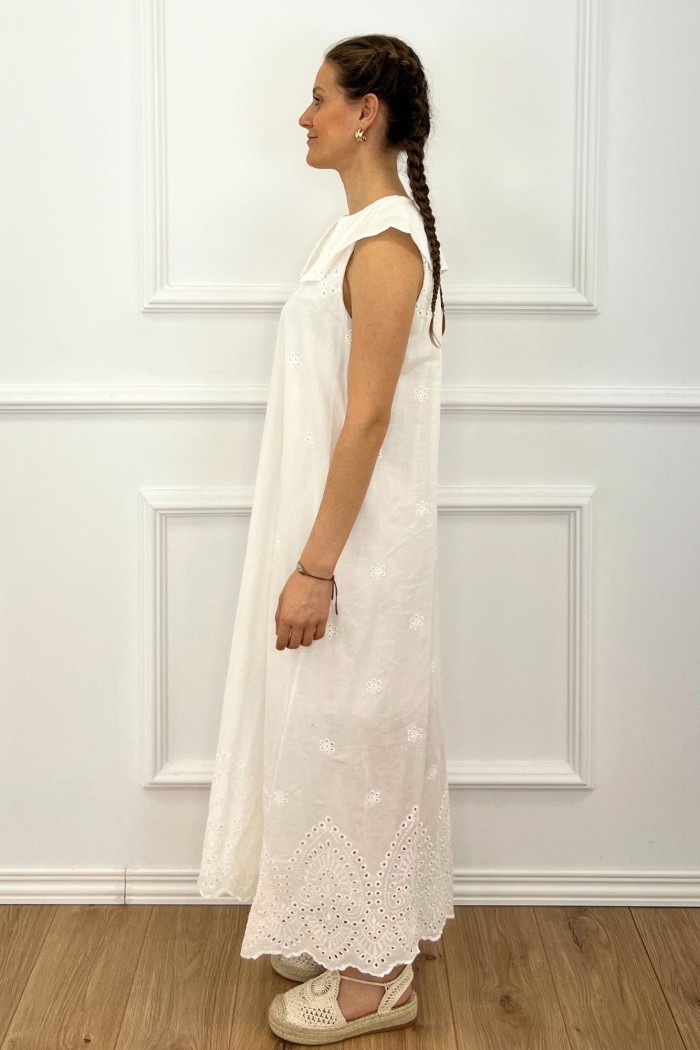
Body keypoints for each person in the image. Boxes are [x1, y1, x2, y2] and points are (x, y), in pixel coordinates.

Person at [197, 33, 455, 1044]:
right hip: (331, 532)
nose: (303, 117)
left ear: (366, 114)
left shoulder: (385, 246)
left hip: (359, 549)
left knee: (361, 739)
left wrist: (316, 568)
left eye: (318, 98)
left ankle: (377, 978)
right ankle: (348, 923)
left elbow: (367, 420)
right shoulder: (351, 235)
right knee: (327, 734)